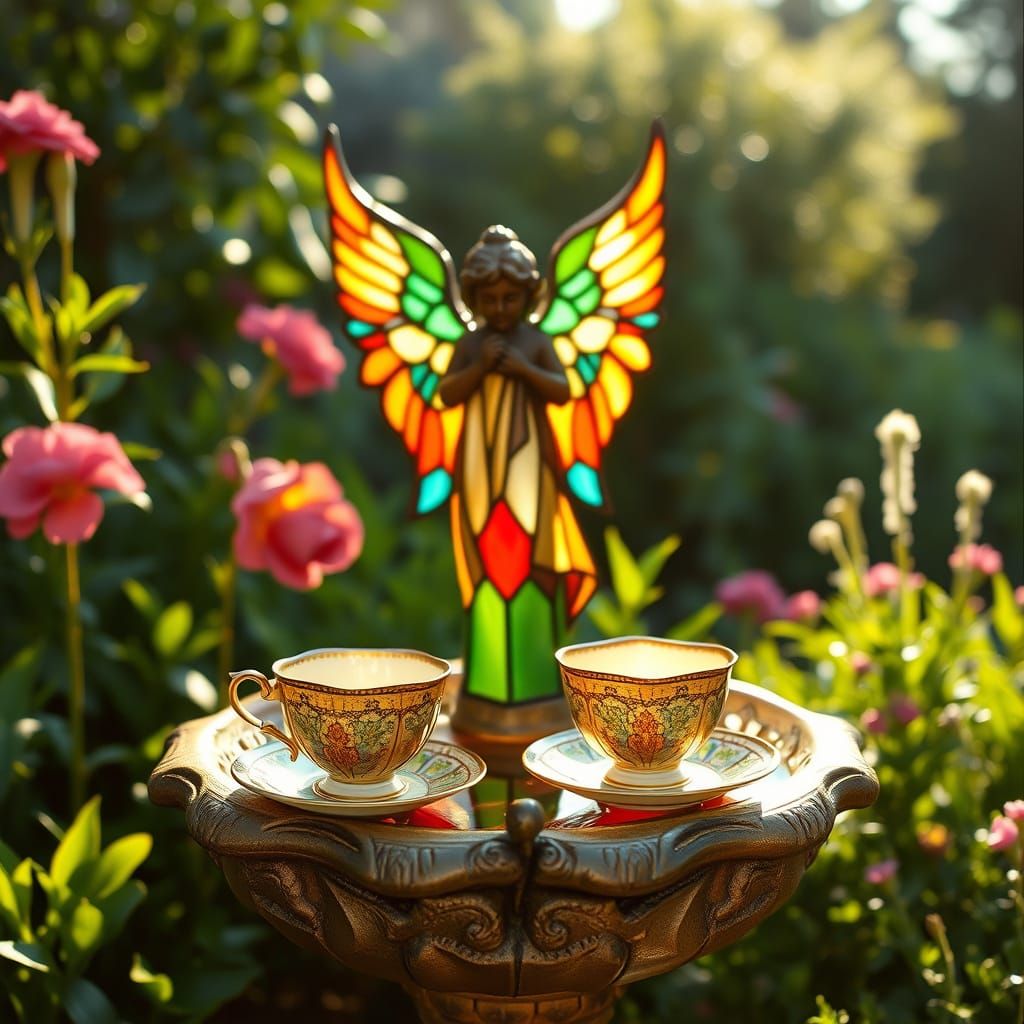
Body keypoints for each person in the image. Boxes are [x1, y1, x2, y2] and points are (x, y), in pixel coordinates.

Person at [439, 226, 596, 712]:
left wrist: (523, 369)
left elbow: (563, 390)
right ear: (474, 298)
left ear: (528, 296)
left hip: (531, 472)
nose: (501, 309)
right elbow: (446, 394)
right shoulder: (471, 344)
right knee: (486, 562)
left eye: (511, 298)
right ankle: (487, 686)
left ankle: (537, 688)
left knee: (532, 559)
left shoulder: (537, 341)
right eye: (490, 300)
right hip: (479, 472)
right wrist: (479, 368)